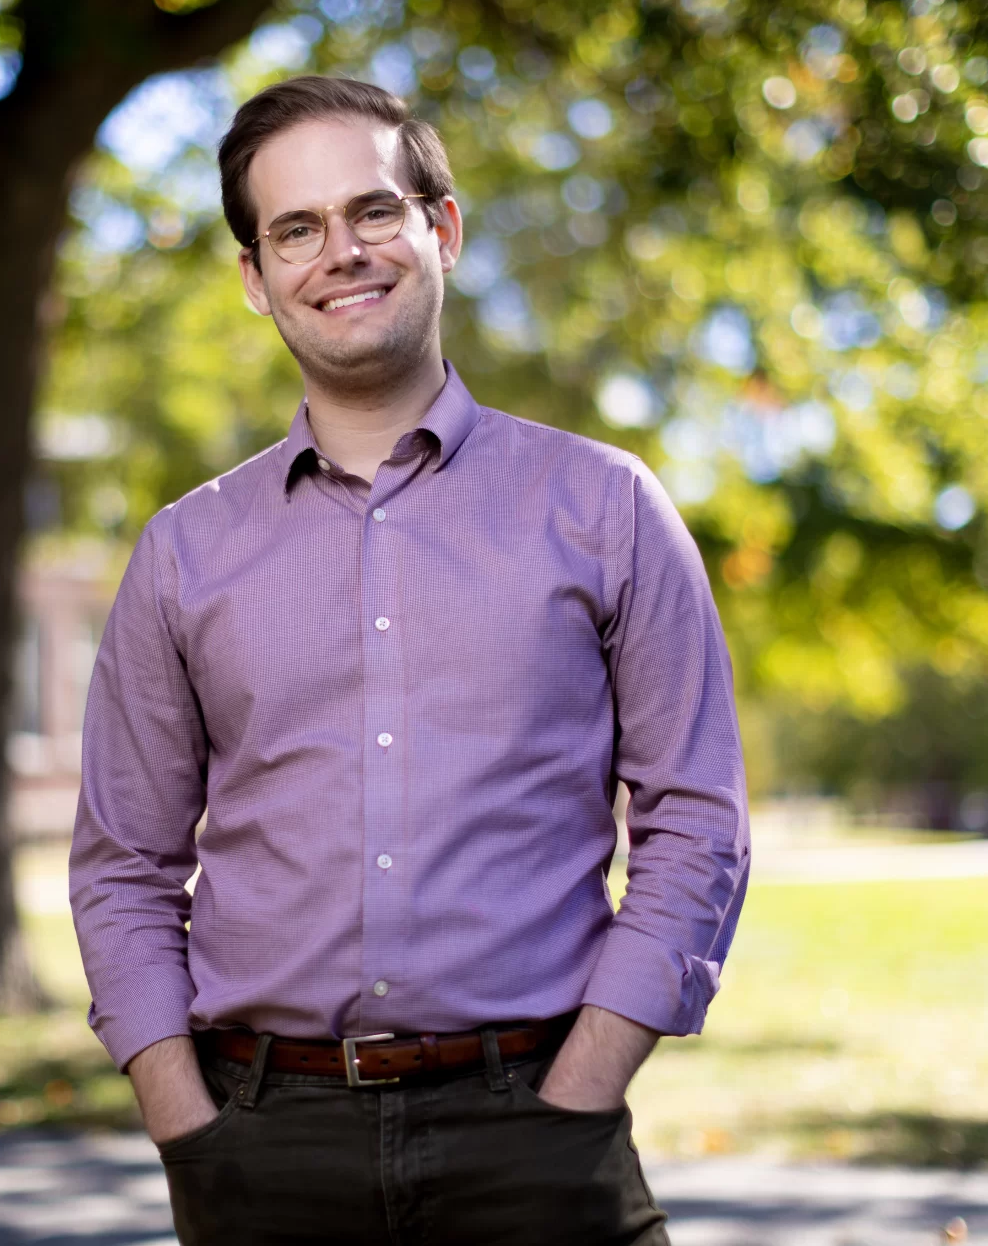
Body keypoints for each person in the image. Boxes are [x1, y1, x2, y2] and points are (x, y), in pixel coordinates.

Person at [69, 75, 750, 1245]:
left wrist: (578, 1090)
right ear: (255, 277)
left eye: (371, 212)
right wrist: (184, 1122)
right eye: (295, 229)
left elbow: (695, 820)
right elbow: (123, 861)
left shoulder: (603, 507)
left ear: (441, 228)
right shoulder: (184, 553)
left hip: (532, 1133)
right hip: (259, 1145)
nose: (338, 252)